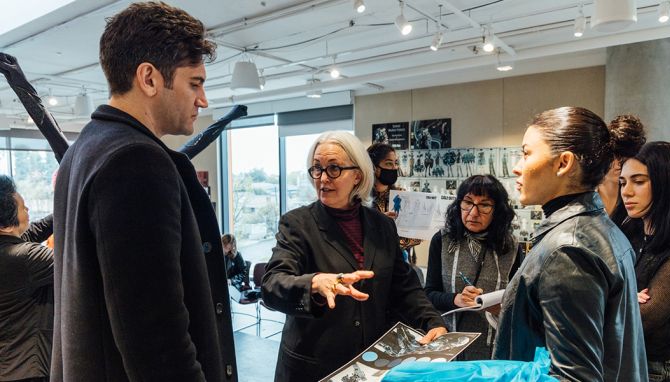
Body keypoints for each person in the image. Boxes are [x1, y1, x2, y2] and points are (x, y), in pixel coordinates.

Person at [51, 3, 236, 381]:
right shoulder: (135, 161)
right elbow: (158, 343)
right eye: (195, 83)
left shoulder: (83, 150)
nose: (202, 100)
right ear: (149, 78)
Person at [262, 131, 447, 382]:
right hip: (313, 367)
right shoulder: (297, 224)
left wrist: (432, 321)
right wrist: (315, 283)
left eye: (334, 169)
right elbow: (272, 285)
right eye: (317, 169)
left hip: (370, 365)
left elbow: (404, 287)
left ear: (358, 175)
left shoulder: (382, 225)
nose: (323, 178)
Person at [493, 106, 647, 381]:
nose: (517, 167)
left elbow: (574, 376)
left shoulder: (568, 248)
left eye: (526, 153)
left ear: (564, 163)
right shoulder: (598, 228)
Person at [617, 142, 670, 381]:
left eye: (639, 181)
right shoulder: (629, 236)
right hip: (618, 364)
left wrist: (612, 297)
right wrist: (623, 296)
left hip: (653, 371)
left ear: (669, 184)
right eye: (623, 182)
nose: (626, 191)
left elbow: (640, 321)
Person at [424, 174, 521, 360]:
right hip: (448, 346)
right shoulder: (443, 240)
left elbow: (519, 299)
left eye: (484, 205)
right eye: (467, 202)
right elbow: (428, 293)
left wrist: (500, 307)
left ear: (497, 210)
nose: (473, 213)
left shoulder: (511, 246)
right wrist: (456, 299)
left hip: (493, 348)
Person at [0, 175, 54, 382]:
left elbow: (36, 230)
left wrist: (66, 206)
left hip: (9, 367)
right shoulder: (25, 257)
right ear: (6, 222)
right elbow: (75, 263)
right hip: (29, 370)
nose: (28, 210)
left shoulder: (11, 250)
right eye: (23, 207)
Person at [367, 143, 421, 256]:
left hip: (398, 261)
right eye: (388, 163)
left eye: (396, 163)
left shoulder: (402, 196)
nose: (395, 168)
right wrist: (380, 224)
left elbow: (415, 238)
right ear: (373, 167)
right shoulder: (361, 198)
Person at [597, 115, 646, 215]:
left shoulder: (636, 199)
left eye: (626, 156)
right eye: (615, 154)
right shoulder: (584, 191)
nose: (620, 162)